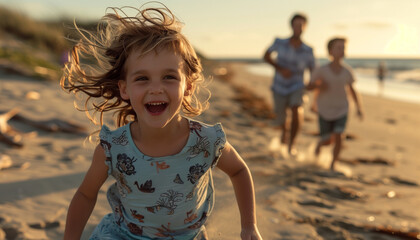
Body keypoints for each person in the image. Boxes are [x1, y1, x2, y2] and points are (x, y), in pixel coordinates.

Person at [60, 3, 262, 240]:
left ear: (188, 86)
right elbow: (85, 194)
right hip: (123, 235)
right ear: (124, 89)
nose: (156, 89)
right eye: (143, 78)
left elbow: (238, 170)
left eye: (169, 77)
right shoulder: (113, 147)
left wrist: (249, 226)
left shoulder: (205, 140)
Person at [306, 37, 363, 170]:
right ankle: (316, 157)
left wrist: (359, 108)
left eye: (343, 47)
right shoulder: (321, 70)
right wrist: (318, 86)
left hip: (342, 108)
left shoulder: (347, 71)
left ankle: (333, 164)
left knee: (339, 136)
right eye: (338, 47)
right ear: (330, 51)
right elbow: (309, 86)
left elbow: (352, 90)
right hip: (324, 109)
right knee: (326, 140)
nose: (342, 50)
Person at [263, 13, 315, 156]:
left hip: (297, 85)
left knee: (296, 108)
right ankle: (284, 133)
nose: (299, 27)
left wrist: (312, 82)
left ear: (305, 27)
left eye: (302, 25)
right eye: (297, 24)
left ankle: (292, 145)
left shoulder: (308, 50)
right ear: (291, 26)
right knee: (281, 117)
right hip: (279, 85)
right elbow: (266, 56)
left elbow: (313, 70)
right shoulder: (279, 42)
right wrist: (280, 69)